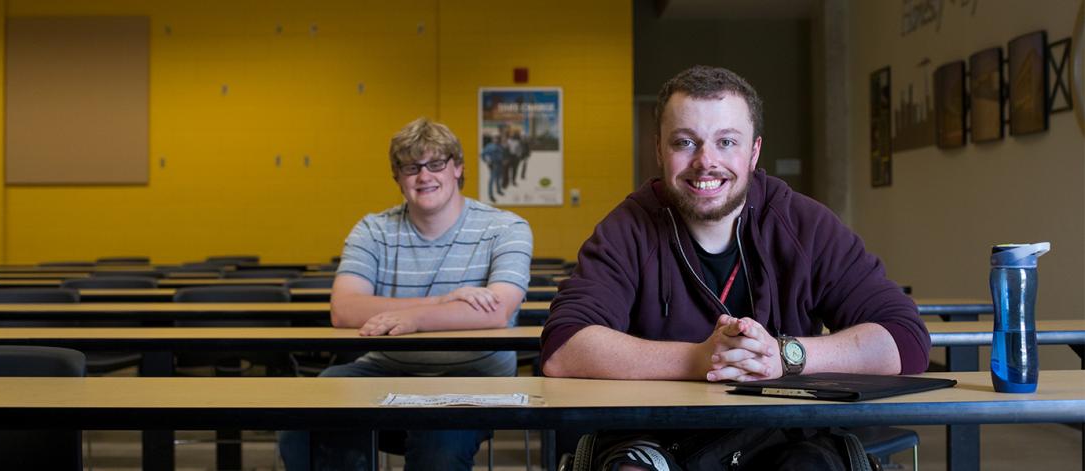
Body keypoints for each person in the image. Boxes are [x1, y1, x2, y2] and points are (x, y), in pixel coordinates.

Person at [540, 65, 930, 470]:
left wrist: (784, 356)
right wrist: (700, 360)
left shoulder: (804, 224)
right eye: (685, 142)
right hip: (655, 433)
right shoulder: (628, 227)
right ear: (659, 149)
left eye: (726, 142)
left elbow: (906, 340)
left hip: (784, 431)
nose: (705, 162)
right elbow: (564, 347)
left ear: (754, 151)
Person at [279, 117, 533, 471]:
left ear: (458, 168)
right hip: (386, 368)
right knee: (306, 418)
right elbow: (345, 309)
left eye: (436, 164)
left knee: (437, 439)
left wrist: (412, 318)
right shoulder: (373, 229)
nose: (424, 176)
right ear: (397, 177)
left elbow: (495, 311)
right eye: (411, 167)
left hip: (476, 376)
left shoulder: (506, 228)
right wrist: (444, 301)